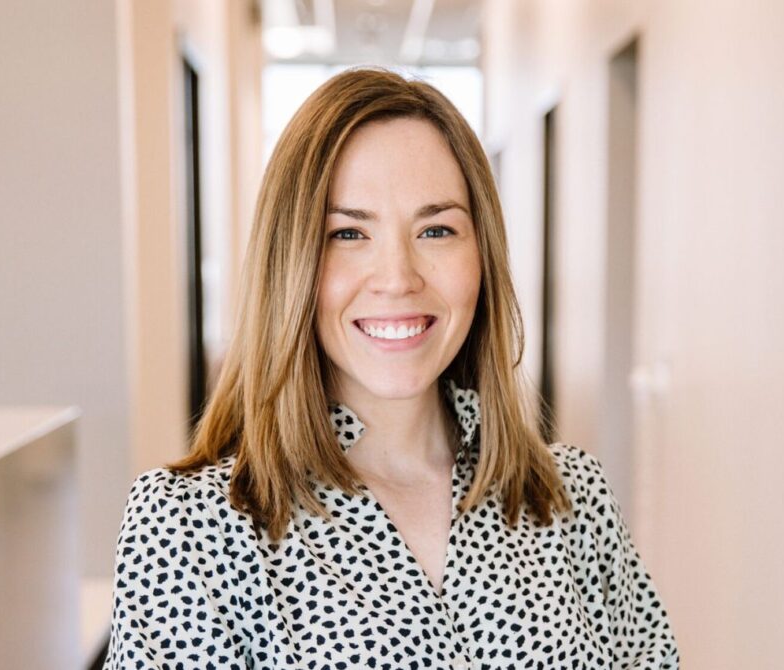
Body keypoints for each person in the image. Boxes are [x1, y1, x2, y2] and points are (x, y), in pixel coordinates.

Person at [103, 66, 679, 669]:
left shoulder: (571, 501)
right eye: (349, 234)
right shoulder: (192, 530)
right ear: (291, 262)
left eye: (435, 229)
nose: (399, 278)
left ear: (482, 255)